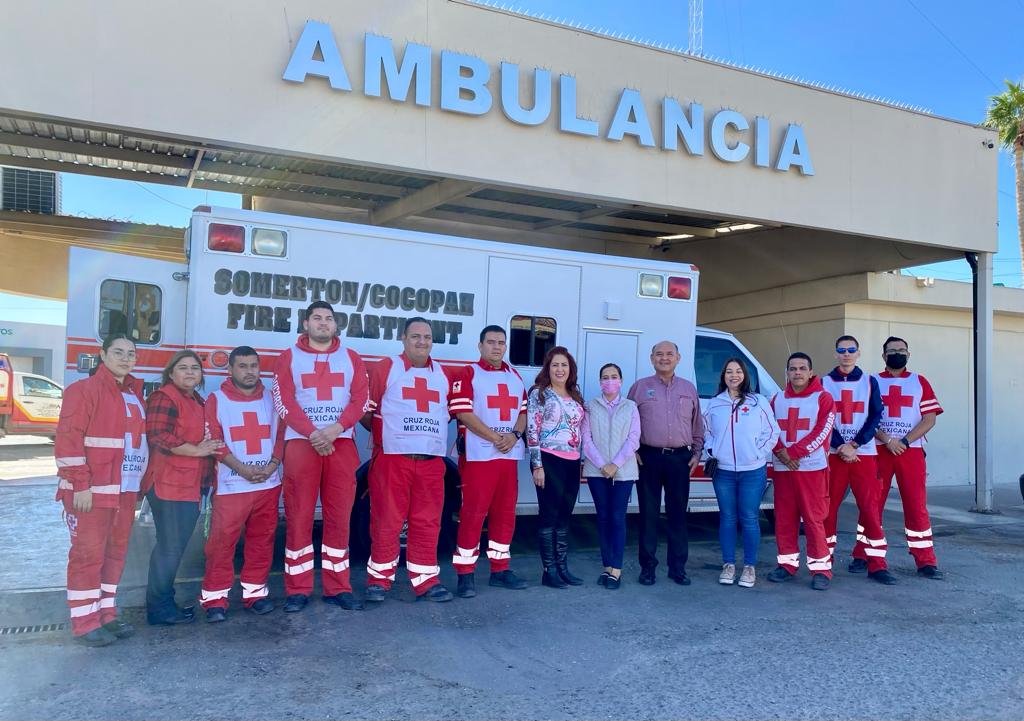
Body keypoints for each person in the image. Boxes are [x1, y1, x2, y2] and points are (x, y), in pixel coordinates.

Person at [272, 300, 369, 613]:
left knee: (339, 518)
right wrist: (314, 433)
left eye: (329, 319)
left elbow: (361, 399)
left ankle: (337, 586)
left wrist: (335, 429)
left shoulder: (351, 358)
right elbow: (283, 400)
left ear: (336, 325)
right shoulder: (289, 357)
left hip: (340, 444)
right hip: (302, 444)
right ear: (305, 324)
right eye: (317, 318)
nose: (323, 323)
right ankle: (297, 589)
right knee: (299, 516)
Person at [55, 334, 149, 646]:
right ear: (102, 354)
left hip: (124, 491)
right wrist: (80, 485)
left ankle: (106, 614)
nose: (126, 358)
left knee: (115, 554)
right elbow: (68, 442)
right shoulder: (82, 391)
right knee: (87, 556)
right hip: (90, 493)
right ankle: (84, 622)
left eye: (131, 353)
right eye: (118, 352)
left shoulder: (135, 394)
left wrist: (140, 487)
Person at [363, 317, 456, 603]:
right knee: (386, 521)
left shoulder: (444, 374)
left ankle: (426, 579)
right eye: (415, 336)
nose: (422, 342)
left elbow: (449, 413)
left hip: (430, 463)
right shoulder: (385, 368)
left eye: (427, 337)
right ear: (403, 339)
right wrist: (387, 436)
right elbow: (366, 412)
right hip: (393, 460)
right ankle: (379, 580)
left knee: (427, 522)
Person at [200, 346, 286, 622]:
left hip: (267, 484)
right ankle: (215, 598)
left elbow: (282, 435)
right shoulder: (216, 399)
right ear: (230, 370)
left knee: (262, 542)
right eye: (242, 366)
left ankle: (255, 594)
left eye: (254, 366)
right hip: (231, 486)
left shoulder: (273, 398)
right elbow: (215, 440)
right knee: (221, 544)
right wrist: (243, 470)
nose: (249, 372)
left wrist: (272, 465)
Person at [448, 325, 529, 598]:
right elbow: (463, 413)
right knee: (473, 514)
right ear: (480, 346)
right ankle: (465, 574)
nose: (497, 347)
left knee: (505, 514)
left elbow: (523, 411)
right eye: (491, 342)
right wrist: (496, 437)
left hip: (507, 457)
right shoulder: (469, 373)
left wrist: (515, 435)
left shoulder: (515, 376)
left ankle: (500, 569)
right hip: (479, 456)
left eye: (501, 343)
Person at [144, 350, 222, 625]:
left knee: (173, 547)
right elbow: (158, 436)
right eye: (183, 368)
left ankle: (164, 602)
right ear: (171, 372)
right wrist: (198, 451)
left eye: (195, 368)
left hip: (188, 485)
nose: (190, 372)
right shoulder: (164, 397)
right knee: (169, 548)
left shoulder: (196, 400)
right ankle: (159, 608)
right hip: (169, 484)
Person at [821, 336, 897, 585]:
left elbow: (876, 415)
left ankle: (877, 565)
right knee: (827, 511)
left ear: (858, 353)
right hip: (834, 455)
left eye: (851, 350)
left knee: (871, 511)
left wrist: (854, 444)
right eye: (841, 350)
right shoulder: (823, 382)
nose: (846, 354)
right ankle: (823, 564)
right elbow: (821, 418)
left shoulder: (869, 382)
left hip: (863, 454)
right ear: (835, 354)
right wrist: (840, 444)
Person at [627, 340, 703, 586]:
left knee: (677, 516)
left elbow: (697, 425)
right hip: (648, 458)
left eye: (670, 354)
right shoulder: (639, 388)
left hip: (680, 459)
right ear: (652, 359)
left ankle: (677, 568)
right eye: (659, 354)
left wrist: (697, 453)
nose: (664, 358)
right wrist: (633, 450)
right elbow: (627, 422)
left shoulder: (689, 389)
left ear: (678, 358)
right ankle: (647, 568)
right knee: (648, 516)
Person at [702, 358, 780, 588]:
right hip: (723, 472)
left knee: (749, 518)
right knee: (727, 518)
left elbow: (772, 431)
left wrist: (759, 453)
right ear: (723, 376)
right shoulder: (715, 403)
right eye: (728, 371)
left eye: (738, 371)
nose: (733, 375)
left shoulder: (758, 402)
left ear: (745, 375)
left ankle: (749, 567)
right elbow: (705, 432)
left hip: (752, 471)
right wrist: (711, 449)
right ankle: (728, 564)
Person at [873, 336, 945, 579]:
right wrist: (887, 440)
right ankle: (865, 556)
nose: (897, 353)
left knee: (916, 506)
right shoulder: (872, 382)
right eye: (892, 351)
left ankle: (925, 561)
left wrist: (904, 441)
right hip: (879, 450)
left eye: (901, 350)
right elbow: (865, 418)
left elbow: (930, 418)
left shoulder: (919, 382)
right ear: (883, 356)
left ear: (908, 354)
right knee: (872, 506)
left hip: (910, 451)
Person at [767, 352, 836, 591]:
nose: (797, 372)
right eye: (792, 368)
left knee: (814, 519)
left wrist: (792, 453)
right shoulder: (776, 399)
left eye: (802, 368)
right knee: (784, 519)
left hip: (811, 469)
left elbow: (822, 431)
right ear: (787, 372)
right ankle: (787, 565)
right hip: (783, 467)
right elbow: (768, 429)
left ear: (810, 372)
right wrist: (781, 453)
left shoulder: (823, 398)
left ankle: (821, 569)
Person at [527, 346, 586, 589]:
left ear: (570, 369)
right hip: (549, 460)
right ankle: (548, 570)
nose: (560, 369)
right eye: (555, 365)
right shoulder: (540, 394)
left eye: (564, 365)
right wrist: (536, 465)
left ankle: (562, 568)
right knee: (549, 517)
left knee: (564, 517)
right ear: (547, 369)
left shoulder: (574, 396)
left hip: (572, 462)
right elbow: (532, 431)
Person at [581, 363, 640, 590]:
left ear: (621, 381)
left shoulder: (630, 406)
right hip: (597, 471)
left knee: (617, 518)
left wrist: (615, 464)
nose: (609, 381)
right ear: (600, 382)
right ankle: (606, 566)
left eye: (614, 377)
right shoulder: (590, 406)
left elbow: (634, 438)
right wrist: (602, 464)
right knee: (603, 518)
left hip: (623, 472)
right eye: (605, 377)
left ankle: (616, 569)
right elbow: (586, 438)